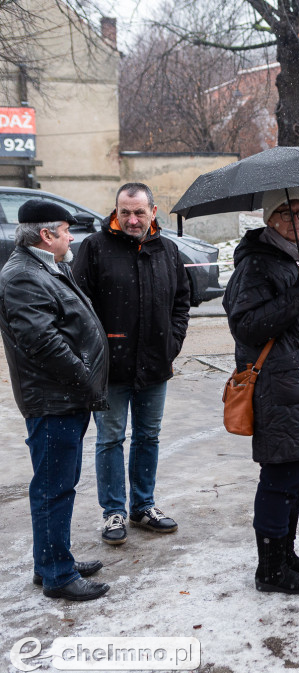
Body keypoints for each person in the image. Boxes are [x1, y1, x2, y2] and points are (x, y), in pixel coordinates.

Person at [223, 187, 299, 593]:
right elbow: (247, 328)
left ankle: (285, 553)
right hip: (281, 390)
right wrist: (297, 294)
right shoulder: (256, 265)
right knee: (280, 478)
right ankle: (270, 570)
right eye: (290, 213)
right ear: (270, 218)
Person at [0, 200, 109, 600]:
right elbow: (41, 341)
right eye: (65, 230)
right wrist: (84, 375)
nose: (71, 237)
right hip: (54, 399)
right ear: (46, 236)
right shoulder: (23, 276)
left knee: (57, 484)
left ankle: (50, 560)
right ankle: (57, 575)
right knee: (53, 487)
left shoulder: (42, 266)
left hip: (63, 396)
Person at [72, 182, 190, 545]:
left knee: (148, 436)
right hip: (110, 368)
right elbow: (78, 308)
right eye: (125, 212)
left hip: (155, 365)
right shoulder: (94, 248)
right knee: (110, 438)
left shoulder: (167, 251)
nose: (132, 219)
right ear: (115, 212)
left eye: (139, 212)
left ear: (153, 212)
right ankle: (114, 513)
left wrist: (171, 343)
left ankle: (143, 506)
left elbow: (181, 302)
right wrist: (98, 352)